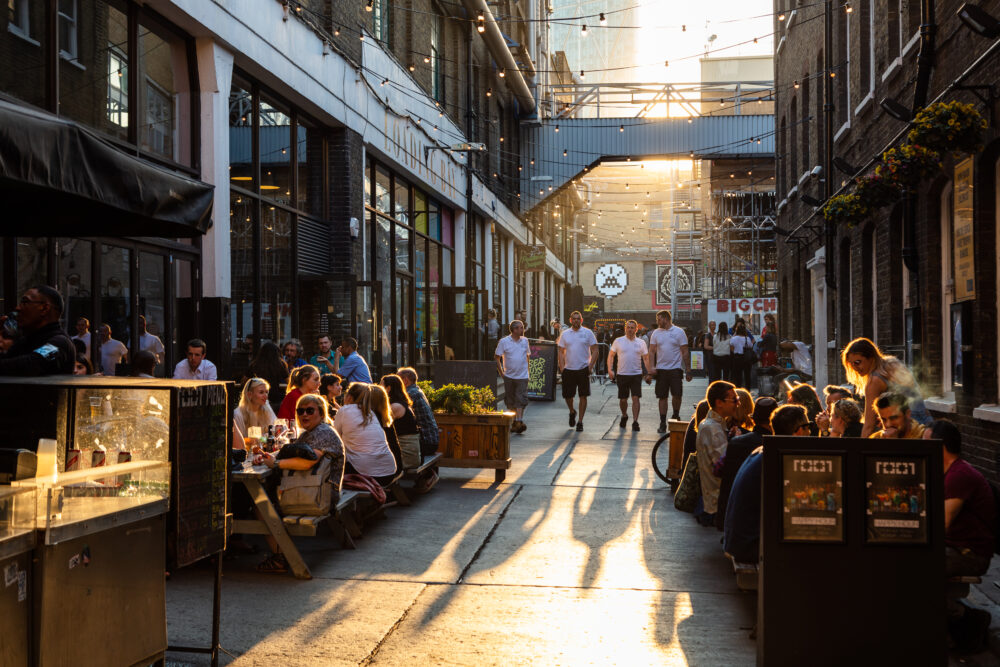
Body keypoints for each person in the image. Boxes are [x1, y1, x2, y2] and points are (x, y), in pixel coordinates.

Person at [256, 393, 344, 574]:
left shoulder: (323, 433)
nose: (304, 415)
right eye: (301, 411)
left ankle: (280, 557)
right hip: (316, 490)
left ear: (321, 413)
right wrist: (270, 458)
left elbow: (309, 462)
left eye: (310, 411)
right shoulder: (313, 432)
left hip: (321, 496)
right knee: (262, 498)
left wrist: (276, 464)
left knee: (260, 504)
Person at [927, 420, 996, 643]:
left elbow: (941, 524)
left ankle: (968, 617)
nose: (921, 448)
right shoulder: (947, 472)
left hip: (969, 554)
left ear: (940, 446)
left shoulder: (959, 475)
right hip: (955, 547)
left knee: (914, 573)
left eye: (925, 443)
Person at [723, 404, 810, 563]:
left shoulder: (765, 451)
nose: (810, 432)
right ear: (798, 430)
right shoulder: (779, 459)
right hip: (749, 545)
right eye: (808, 427)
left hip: (739, 540)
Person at [842, 337, 931, 437]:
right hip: (926, 425)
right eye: (851, 364)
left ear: (871, 357)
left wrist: (861, 450)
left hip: (907, 431)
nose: (854, 367)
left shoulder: (874, 381)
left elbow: (868, 425)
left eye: (858, 362)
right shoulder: (893, 363)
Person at [716, 396, 778, 532]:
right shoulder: (773, 446)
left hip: (736, 514)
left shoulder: (737, 442)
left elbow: (727, 482)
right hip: (761, 518)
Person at [0, 286, 76, 376]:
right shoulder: (25, 341)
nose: (18, 308)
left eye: (25, 302)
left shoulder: (60, 343)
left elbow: (33, 363)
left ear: (44, 308)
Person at [695, 381, 739, 527]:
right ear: (719, 403)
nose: (737, 403)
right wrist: (738, 442)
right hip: (716, 502)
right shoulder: (712, 428)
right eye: (734, 400)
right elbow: (723, 465)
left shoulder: (716, 424)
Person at [334, 383, 397, 485]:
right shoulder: (371, 413)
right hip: (389, 472)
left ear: (349, 397)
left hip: (366, 475)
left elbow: (335, 437)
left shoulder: (344, 410)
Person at [647, 309, 692, 432]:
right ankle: (662, 422)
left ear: (666, 318)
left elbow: (685, 351)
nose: (658, 321)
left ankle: (676, 415)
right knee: (662, 397)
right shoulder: (656, 333)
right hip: (661, 370)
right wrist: (651, 369)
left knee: (677, 395)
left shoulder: (679, 332)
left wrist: (688, 369)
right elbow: (651, 351)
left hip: (675, 369)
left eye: (659, 319)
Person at [557, 310, 598, 433]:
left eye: (578, 318)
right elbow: (560, 350)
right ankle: (572, 411)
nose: (576, 320)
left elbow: (595, 350)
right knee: (568, 396)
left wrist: (590, 367)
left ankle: (580, 421)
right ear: (570, 320)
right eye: (573, 318)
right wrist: (562, 367)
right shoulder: (565, 334)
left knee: (583, 395)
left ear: (581, 320)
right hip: (569, 369)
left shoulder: (587, 333)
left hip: (583, 368)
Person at [607, 319, 650, 432]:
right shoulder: (618, 341)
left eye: (632, 328)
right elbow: (611, 356)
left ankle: (635, 421)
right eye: (628, 327)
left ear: (636, 329)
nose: (630, 330)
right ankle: (624, 415)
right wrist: (610, 370)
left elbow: (646, 358)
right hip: (622, 374)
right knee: (623, 400)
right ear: (625, 328)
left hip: (636, 374)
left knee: (636, 398)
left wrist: (648, 373)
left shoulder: (641, 343)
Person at [495, 319, 531, 434]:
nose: (523, 329)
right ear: (514, 330)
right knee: (510, 401)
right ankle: (514, 422)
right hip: (509, 376)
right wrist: (501, 373)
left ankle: (519, 421)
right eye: (521, 327)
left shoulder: (525, 341)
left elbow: (527, 356)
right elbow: (497, 357)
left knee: (520, 399)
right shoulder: (504, 341)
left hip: (522, 376)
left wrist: (527, 370)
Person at [381, 374, 421, 470]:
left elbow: (380, 425)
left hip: (407, 456)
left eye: (381, 386)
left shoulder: (395, 407)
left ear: (388, 388)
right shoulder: (401, 403)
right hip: (408, 452)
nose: (378, 388)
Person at [233, 377, 278, 446]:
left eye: (266, 392)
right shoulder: (238, 414)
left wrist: (261, 439)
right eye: (261, 392)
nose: (265, 396)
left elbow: (276, 431)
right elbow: (238, 441)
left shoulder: (266, 407)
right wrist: (262, 439)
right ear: (249, 395)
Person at [247, 341, 289, 414]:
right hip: (276, 399)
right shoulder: (280, 364)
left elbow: (244, 381)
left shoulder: (255, 364)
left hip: (258, 400)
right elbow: (289, 381)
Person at [729, 322, 752, 390]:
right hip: (746, 358)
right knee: (747, 375)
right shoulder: (747, 338)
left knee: (738, 375)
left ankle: (738, 388)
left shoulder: (734, 338)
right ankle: (748, 389)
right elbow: (750, 346)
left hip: (737, 358)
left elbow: (731, 346)